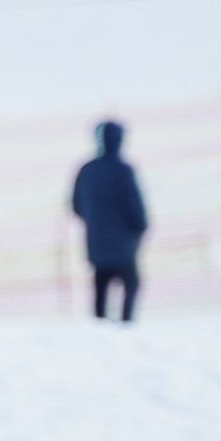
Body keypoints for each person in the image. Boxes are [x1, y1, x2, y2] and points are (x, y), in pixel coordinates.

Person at [71, 120, 148, 321]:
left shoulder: (87, 170)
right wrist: (139, 226)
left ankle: (101, 329)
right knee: (131, 284)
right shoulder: (122, 169)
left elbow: (76, 205)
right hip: (124, 245)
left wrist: (95, 224)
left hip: (97, 244)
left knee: (101, 288)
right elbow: (134, 205)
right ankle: (125, 325)